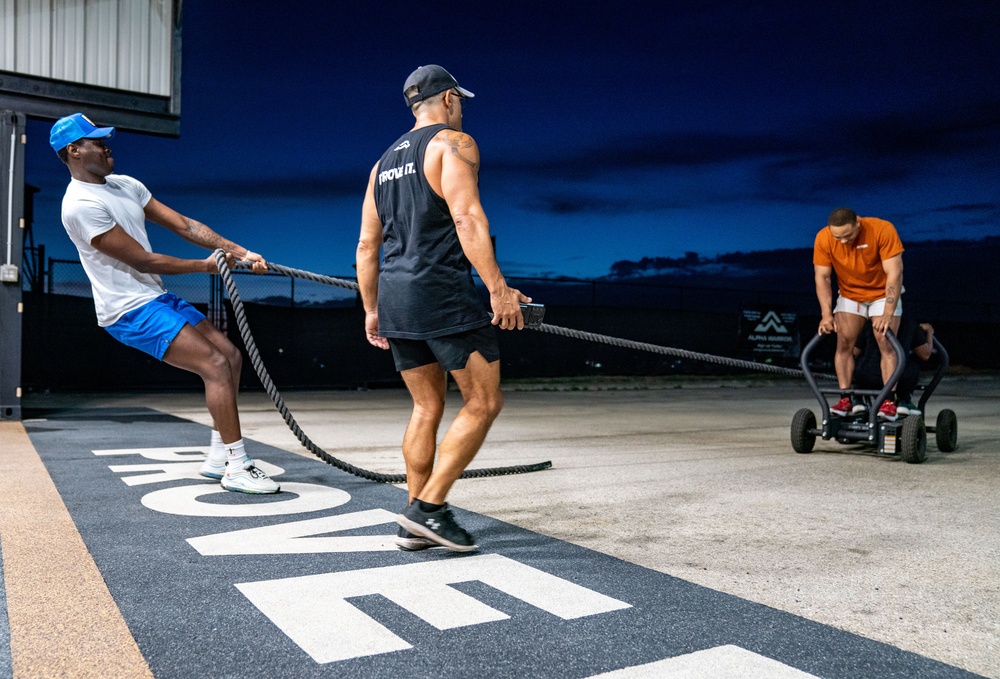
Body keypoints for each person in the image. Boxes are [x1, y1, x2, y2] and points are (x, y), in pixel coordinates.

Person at [50, 112, 279, 494]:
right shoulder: (79, 204)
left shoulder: (125, 185)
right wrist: (206, 267)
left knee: (231, 356)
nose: (107, 146)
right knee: (216, 365)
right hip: (127, 309)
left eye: (106, 139)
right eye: (96, 141)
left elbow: (184, 225)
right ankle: (238, 465)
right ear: (74, 151)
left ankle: (218, 456)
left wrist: (239, 252)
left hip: (153, 296)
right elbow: (142, 259)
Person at [356, 65, 530, 552]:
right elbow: (466, 215)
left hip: (395, 295)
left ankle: (414, 522)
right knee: (484, 402)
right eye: (462, 102)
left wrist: (372, 309)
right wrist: (496, 288)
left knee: (426, 405)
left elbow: (367, 246)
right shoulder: (453, 144)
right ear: (449, 99)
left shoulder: (381, 164)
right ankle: (429, 509)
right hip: (441, 293)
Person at [814, 207, 904, 420]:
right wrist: (826, 315)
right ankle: (846, 399)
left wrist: (888, 312)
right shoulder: (824, 238)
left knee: (886, 342)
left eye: (848, 236)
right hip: (850, 294)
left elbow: (895, 272)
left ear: (858, 224)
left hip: (883, 293)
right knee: (844, 343)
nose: (843, 241)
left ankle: (889, 401)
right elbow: (823, 277)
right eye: (838, 237)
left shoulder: (882, 229)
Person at [851, 318, 935, 416]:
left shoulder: (871, 323)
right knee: (911, 362)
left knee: (860, 361)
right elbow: (925, 355)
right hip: (897, 380)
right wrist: (929, 332)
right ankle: (903, 400)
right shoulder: (910, 323)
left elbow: (854, 352)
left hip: (868, 378)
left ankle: (857, 399)